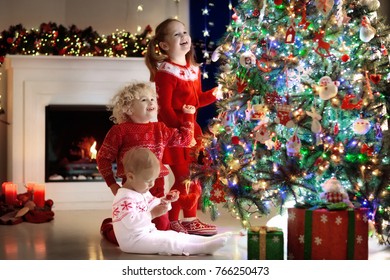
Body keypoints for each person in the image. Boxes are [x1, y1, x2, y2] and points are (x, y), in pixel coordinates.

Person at [145, 18, 220, 235]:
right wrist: (181, 131)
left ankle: (179, 220)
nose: (184, 37)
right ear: (165, 45)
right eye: (177, 34)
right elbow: (165, 109)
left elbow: (197, 101)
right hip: (174, 133)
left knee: (192, 177)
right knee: (185, 178)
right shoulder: (165, 73)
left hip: (191, 130)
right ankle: (184, 220)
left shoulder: (193, 70)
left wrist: (217, 92)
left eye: (184, 32)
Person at [97, 82, 196, 244]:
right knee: (129, 233)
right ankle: (109, 227)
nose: (151, 102)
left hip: (156, 183)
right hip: (131, 185)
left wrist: (188, 115)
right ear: (128, 109)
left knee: (162, 227)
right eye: (143, 100)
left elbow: (185, 139)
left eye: (152, 99)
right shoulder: (120, 131)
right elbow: (103, 158)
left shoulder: (160, 129)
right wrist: (112, 184)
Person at [113, 147, 229, 255]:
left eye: (154, 180)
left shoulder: (141, 191)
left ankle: (205, 240)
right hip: (133, 241)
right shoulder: (124, 198)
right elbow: (131, 222)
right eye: (148, 181)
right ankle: (202, 249)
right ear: (131, 177)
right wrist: (153, 214)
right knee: (167, 243)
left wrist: (166, 200)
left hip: (147, 233)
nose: (152, 184)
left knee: (174, 235)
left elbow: (154, 203)